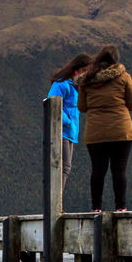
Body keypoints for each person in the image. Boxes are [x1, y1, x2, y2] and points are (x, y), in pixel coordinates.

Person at [78, 44, 132, 211]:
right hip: (121, 131)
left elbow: (82, 107)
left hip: (95, 132)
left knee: (98, 170)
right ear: (115, 61)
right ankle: (121, 207)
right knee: (119, 170)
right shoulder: (125, 77)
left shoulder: (86, 81)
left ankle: (96, 207)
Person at [46, 53, 91, 181]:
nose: (85, 74)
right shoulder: (62, 84)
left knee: (65, 168)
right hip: (61, 131)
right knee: (63, 167)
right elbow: (52, 103)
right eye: (84, 70)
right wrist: (68, 122)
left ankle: (57, 198)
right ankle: (56, 199)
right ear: (76, 70)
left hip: (70, 132)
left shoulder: (76, 87)